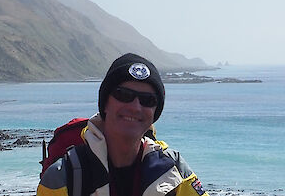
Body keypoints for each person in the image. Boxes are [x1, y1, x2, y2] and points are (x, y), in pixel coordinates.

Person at [37, 53, 209, 196]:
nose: (135, 107)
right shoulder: (64, 177)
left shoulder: (174, 173)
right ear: (105, 104)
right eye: (123, 95)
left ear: (155, 112)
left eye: (147, 100)